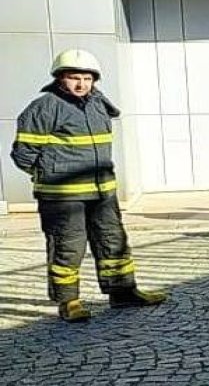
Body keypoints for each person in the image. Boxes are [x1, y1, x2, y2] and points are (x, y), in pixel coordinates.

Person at [10, 49, 168, 322]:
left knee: (113, 242)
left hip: (102, 192)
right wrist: (49, 175)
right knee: (67, 246)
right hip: (62, 197)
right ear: (60, 78)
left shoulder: (98, 104)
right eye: (74, 77)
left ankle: (123, 293)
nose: (81, 84)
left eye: (87, 78)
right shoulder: (44, 107)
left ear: (94, 80)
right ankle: (68, 301)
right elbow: (23, 154)